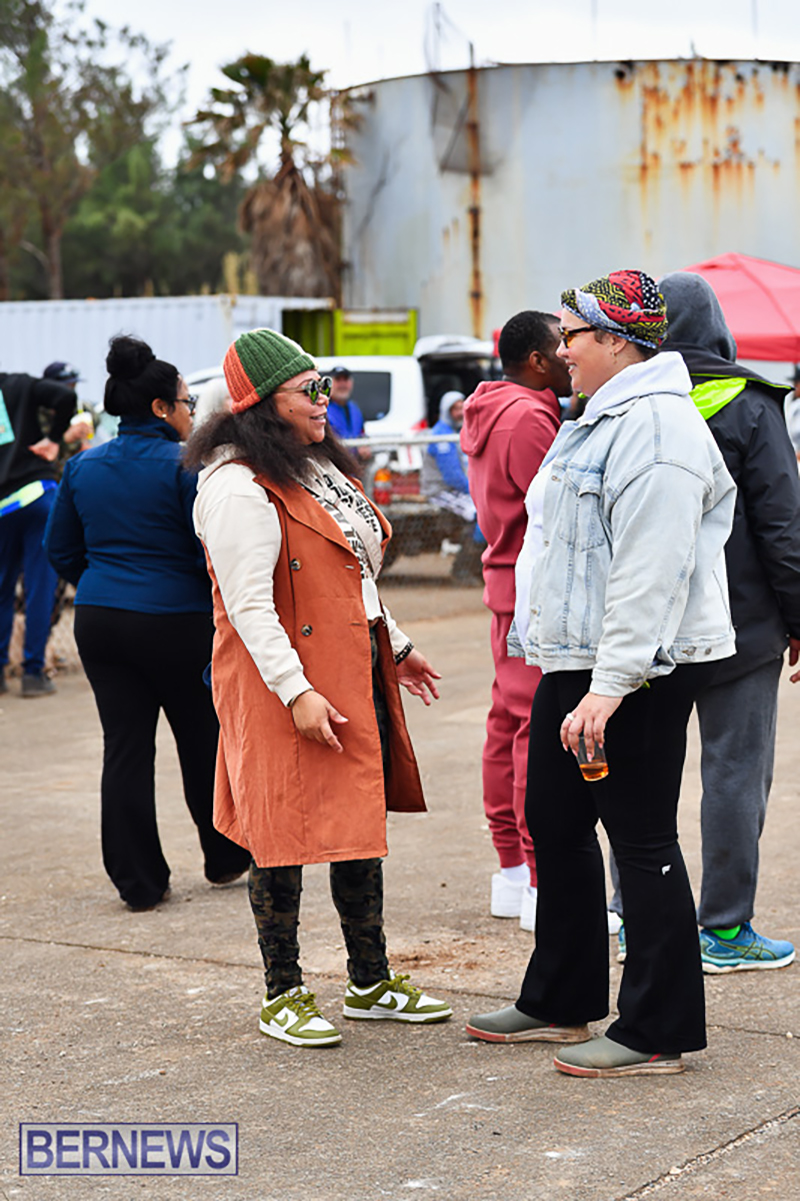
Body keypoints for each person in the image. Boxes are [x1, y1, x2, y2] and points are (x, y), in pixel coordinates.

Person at [466, 270, 737, 1077]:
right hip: (577, 657)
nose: (559, 351)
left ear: (616, 341)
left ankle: (656, 1027)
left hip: (639, 669)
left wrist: (610, 687)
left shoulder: (658, 432)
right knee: (553, 816)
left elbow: (650, 575)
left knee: (641, 836)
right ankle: (560, 993)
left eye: (571, 335)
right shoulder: (600, 417)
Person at [186, 327, 452, 1048]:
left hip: (345, 666)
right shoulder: (237, 486)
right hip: (282, 682)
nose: (326, 399)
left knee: (354, 821)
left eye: (325, 383)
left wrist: (394, 644)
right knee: (282, 831)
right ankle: (284, 992)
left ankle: (369, 980)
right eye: (309, 390)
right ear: (260, 406)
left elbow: (351, 576)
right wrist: (295, 691)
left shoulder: (311, 470)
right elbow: (249, 606)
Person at [44, 335, 251, 911]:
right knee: (202, 738)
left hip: (102, 622)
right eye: (186, 403)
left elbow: (60, 549)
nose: (191, 413)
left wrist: (104, 583)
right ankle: (227, 854)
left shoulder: (83, 466)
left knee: (126, 748)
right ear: (161, 408)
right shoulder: (186, 467)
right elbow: (207, 548)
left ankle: (138, 882)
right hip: (177, 623)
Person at [653, 271, 800, 972]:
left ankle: (634, 918)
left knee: (642, 775)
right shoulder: (749, 404)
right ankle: (724, 929)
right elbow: (783, 527)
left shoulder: (632, 401)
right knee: (735, 774)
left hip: (646, 628)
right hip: (742, 629)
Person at [460, 313, 571, 930]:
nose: (569, 356)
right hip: (530, 583)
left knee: (508, 723)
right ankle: (535, 879)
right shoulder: (529, 415)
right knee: (531, 731)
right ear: (534, 359)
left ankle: (511, 869)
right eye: (560, 345)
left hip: (505, 579)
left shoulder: (490, 407)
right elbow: (554, 504)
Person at [0, 365, 76, 696]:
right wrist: (52, 438)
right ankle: (33, 673)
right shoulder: (19, 383)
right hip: (35, 495)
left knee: (2, 589)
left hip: (2, 506)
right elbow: (65, 395)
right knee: (39, 586)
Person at [326, 366, 370, 461]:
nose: (342, 384)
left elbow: (361, 434)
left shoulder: (355, 409)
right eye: (338, 380)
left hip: (353, 467)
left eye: (345, 380)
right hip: (333, 466)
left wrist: (364, 445)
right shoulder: (322, 409)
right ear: (330, 383)